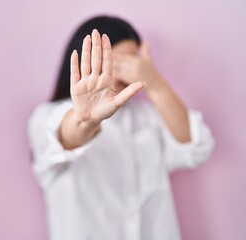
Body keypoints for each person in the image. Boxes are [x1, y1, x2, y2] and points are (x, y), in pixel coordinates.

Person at [27, 15, 215, 240]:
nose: (125, 74)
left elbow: (195, 148)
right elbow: (65, 138)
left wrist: (155, 84)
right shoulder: (45, 118)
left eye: (132, 63)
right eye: (116, 64)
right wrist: (85, 120)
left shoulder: (146, 117)